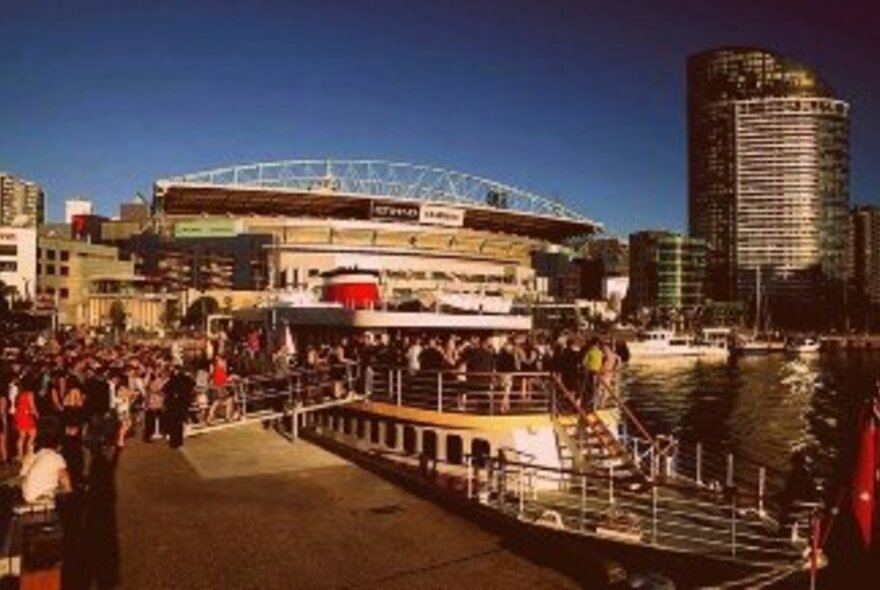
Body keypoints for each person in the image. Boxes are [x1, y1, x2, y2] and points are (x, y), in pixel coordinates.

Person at [19, 429, 72, 504]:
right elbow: (64, 475)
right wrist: (69, 490)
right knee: (66, 493)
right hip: (41, 495)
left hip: (27, 495)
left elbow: (22, 474)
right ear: (57, 446)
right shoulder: (56, 456)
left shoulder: (35, 454)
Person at [163, 364, 194, 449]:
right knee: (178, 423)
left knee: (175, 423)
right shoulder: (183, 378)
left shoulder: (175, 379)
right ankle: (177, 441)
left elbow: (165, 389)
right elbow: (191, 385)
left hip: (175, 404)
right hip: (179, 404)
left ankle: (175, 441)